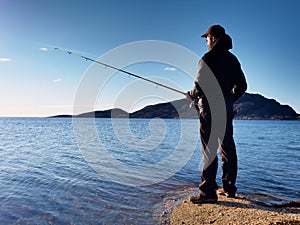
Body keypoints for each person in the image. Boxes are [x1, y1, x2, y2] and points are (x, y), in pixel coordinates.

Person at [187, 24, 247, 203]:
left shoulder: (207, 58)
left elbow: (198, 87)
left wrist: (191, 95)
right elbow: (242, 86)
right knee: (227, 148)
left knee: (209, 150)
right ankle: (229, 188)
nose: (206, 42)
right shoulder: (233, 59)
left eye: (207, 39)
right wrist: (229, 99)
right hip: (226, 110)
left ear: (212, 38)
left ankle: (208, 193)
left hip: (209, 111)